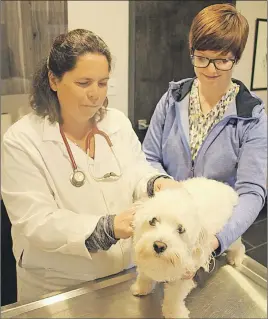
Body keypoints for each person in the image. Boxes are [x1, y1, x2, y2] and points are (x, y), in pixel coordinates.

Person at [1, 29, 180, 301]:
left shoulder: (116, 123)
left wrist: (156, 183)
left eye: (102, 83)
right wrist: (106, 228)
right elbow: (36, 221)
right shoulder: (22, 140)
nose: (95, 94)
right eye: (84, 83)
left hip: (126, 273)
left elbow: (137, 172)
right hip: (59, 286)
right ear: (53, 80)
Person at [143, 4, 267, 259]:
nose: (210, 70)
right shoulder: (172, 100)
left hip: (216, 234)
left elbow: (252, 192)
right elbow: (148, 158)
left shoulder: (251, 115)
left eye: (222, 60)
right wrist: (163, 184)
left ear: (236, 57)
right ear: (192, 52)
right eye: (201, 58)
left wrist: (217, 241)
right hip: (168, 233)